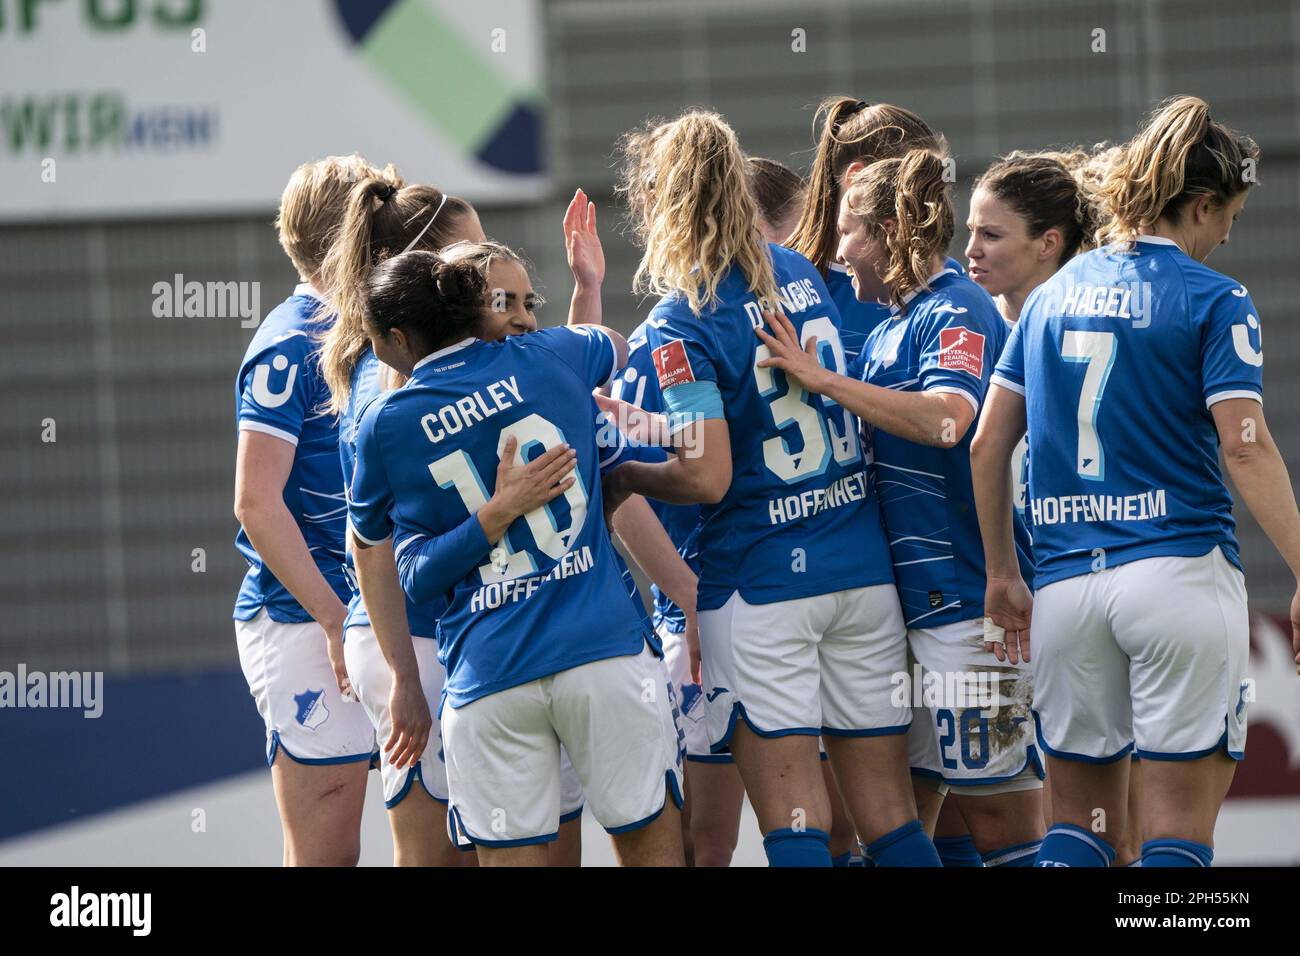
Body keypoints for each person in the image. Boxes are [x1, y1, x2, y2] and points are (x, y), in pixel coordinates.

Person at [971, 95, 1300, 867]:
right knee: (1176, 837)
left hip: (1066, 594)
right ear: (1203, 204)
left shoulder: (1049, 297)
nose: (1225, 235)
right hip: (1177, 575)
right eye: (1230, 217)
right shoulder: (1214, 298)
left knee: (1079, 829)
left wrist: (1001, 573)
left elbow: (988, 446)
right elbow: (1245, 448)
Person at [606, 110, 937, 867]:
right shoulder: (800, 276)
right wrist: (658, 428)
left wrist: (625, 471)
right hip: (860, 574)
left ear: (661, 202)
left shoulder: (680, 318)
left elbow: (709, 471)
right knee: (890, 818)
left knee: (796, 820)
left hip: (761, 589)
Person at [756, 146, 1045, 866]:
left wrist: (823, 381)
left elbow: (950, 418)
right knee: (903, 822)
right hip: (906, 612)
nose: (839, 250)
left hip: (968, 612)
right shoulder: (889, 323)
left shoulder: (957, 305)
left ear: (888, 232)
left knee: (1003, 826)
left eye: (851, 231)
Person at [348, 250, 685, 866]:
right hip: (603, 657)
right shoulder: (554, 354)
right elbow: (614, 344)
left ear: (398, 338)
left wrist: (491, 519)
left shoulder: (385, 425)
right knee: (654, 852)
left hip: (491, 680)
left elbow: (414, 577)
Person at [317, 170, 484, 866]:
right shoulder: (386, 390)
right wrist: (406, 682)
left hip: (451, 634)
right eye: (472, 253)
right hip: (410, 642)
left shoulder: (450, 367)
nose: (486, 267)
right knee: (429, 855)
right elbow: (370, 547)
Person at [232, 154, 384, 867]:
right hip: (307, 619)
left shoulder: (377, 329)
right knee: (328, 853)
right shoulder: (287, 346)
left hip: (380, 613)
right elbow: (255, 503)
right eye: (379, 224)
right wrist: (332, 617)